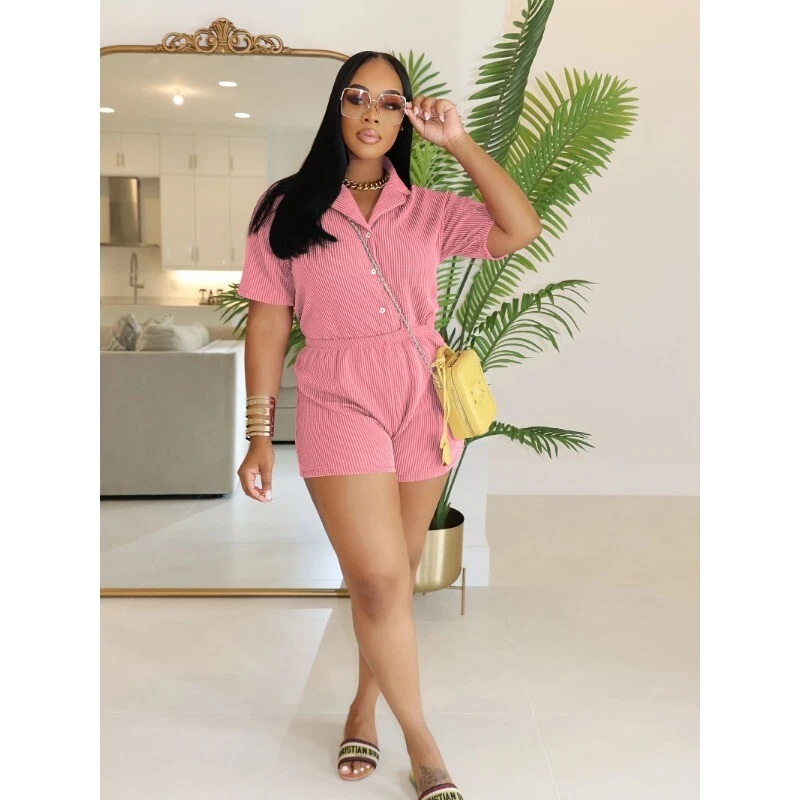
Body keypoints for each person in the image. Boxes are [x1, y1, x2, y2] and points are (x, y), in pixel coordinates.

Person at [236, 50, 541, 800]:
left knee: (394, 579)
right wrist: (257, 431)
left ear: (406, 116)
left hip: (423, 402)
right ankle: (422, 741)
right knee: (375, 581)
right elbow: (268, 324)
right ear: (336, 108)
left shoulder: (428, 208)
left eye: (388, 101)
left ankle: (363, 707)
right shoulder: (286, 209)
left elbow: (520, 228)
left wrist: (459, 142)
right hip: (339, 397)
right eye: (356, 97)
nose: (371, 113)